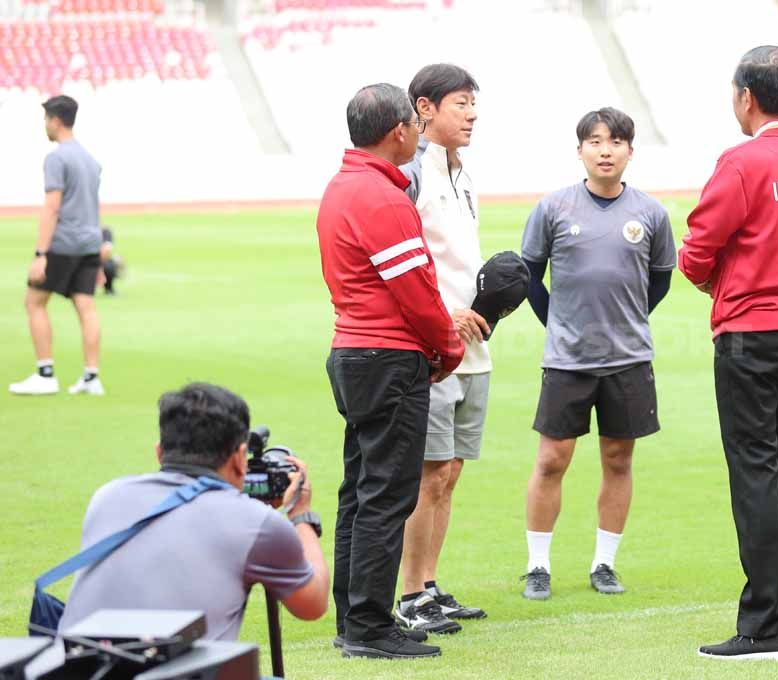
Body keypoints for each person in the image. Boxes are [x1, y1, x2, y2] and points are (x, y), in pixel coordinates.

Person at [679, 46, 778, 661]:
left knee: (755, 472)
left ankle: (764, 628)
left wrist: (716, 283)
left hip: (750, 329)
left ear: (747, 96)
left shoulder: (742, 162)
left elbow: (698, 247)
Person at [316, 82, 464, 660]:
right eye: (413, 124)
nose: (417, 132)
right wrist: (446, 347)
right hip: (387, 356)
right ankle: (371, 627)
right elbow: (416, 292)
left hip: (352, 349)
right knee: (386, 494)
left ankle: (354, 617)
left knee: (359, 490)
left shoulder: (341, 188)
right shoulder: (382, 197)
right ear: (398, 131)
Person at [519, 107, 675, 600]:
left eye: (615, 141)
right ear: (580, 149)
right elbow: (528, 274)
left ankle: (604, 564)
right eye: (595, 141)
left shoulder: (650, 213)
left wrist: (626, 318)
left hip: (628, 359)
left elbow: (661, 278)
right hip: (567, 359)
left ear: (630, 150)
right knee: (551, 460)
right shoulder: (553, 208)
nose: (605, 150)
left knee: (618, 458)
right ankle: (538, 566)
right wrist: (560, 323)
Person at [56, 382, 329, 639]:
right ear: (239, 457)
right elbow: (313, 604)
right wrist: (300, 514)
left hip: (84, 666)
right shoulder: (255, 522)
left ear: (159, 453)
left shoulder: (108, 496)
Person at [393, 63, 490, 636]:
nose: (472, 113)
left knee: (450, 472)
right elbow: (406, 257)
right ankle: (408, 595)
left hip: (474, 341)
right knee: (429, 472)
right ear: (424, 109)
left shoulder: (463, 171)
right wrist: (441, 313)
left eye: (474, 102)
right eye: (460, 103)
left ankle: (429, 583)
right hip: (435, 345)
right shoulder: (411, 174)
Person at [9, 95, 105, 397]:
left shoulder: (57, 158)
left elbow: (52, 207)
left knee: (34, 302)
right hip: (90, 242)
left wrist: (40, 254)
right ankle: (91, 377)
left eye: (46, 120)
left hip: (65, 243)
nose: (45, 126)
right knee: (86, 307)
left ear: (55, 120)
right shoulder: (91, 160)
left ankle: (45, 373)